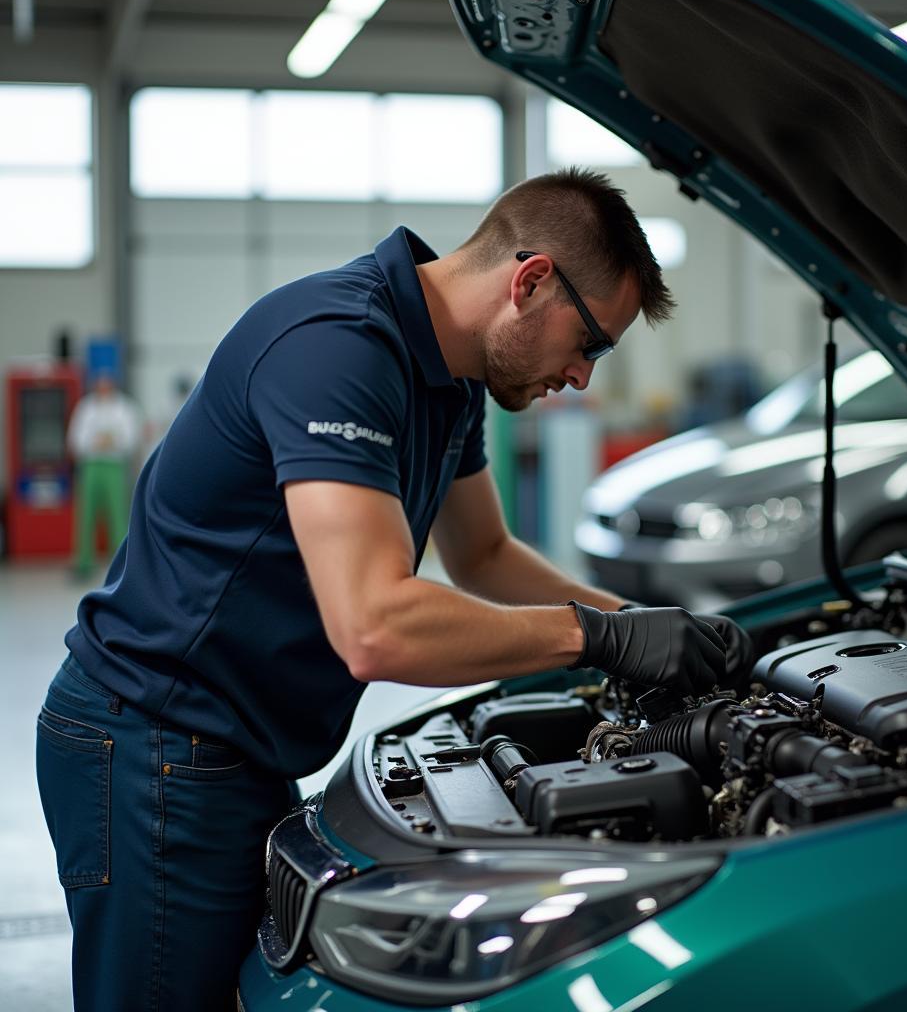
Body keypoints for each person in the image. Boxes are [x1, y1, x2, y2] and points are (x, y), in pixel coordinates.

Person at [36, 168, 753, 1011]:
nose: (583, 377)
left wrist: (643, 625)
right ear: (530, 282)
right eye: (590, 342)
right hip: (154, 745)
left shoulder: (453, 380)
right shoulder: (337, 349)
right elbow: (372, 625)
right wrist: (598, 639)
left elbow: (483, 552)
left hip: (236, 747)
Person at [66, 370, 141, 575]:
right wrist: (94, 443)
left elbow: (132, 436)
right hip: (90, 465)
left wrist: (113, 441)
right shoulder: (86, 407)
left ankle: (121, 562)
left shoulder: (124, 408)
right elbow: (75, 438)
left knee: (117, 513)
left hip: (114, 466)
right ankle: (84, 562)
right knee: (86, 514)